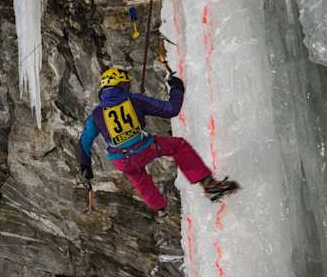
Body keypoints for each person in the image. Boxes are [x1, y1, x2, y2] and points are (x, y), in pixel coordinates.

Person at [79, 68, 239, 211]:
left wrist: (85, 165)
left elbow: (84, 141)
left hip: (121, 160)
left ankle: (159, 207)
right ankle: (207, 183)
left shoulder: (96, 114)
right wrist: (176, 88)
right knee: (179, 146)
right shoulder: (135, 100)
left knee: (137, 176)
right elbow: (171, 109)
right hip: (144, 149)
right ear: (122, 85)